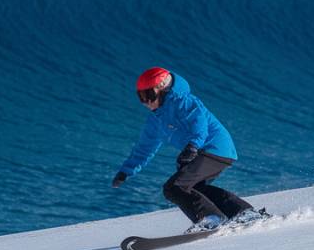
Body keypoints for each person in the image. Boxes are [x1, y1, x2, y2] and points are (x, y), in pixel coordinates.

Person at [111, 67, 263, 232]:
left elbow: (200, 126)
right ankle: (244, 213)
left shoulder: (183, 101)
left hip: (215, 148)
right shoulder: (155, 120)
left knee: (174, 187)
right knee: (195, 188)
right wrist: (126, 171)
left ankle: (211, 219)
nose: (146, 102)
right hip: (202, 151)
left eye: (148, 95)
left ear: (162, 89)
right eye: (141, 97)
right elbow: (144, 148)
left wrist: (192, 147)